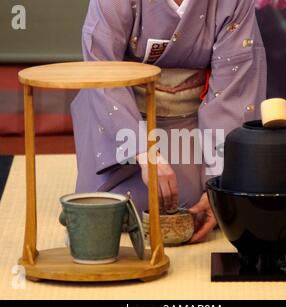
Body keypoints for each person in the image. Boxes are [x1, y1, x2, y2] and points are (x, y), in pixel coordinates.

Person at [71, 0, 267, 243]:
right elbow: (102, 73)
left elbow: (233, 90)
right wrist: (144, 152)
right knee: (100, 204)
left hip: (194, 120)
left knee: (200, 198)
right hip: (123, 116)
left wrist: (220, 185)